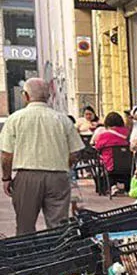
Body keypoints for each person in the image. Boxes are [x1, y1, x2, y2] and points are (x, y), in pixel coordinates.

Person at [0, 77, 86, 234]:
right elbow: (75, 152)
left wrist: (6, 178)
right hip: (58, 176)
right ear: (49, 96)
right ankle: (59, 256)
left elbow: (6, 155)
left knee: (25, 226)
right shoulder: (63, 119)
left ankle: (29, 256)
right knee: (59, 227)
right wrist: (63, 164)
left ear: (25, 96)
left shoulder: (15, 119)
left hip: (27, 176)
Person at [91, 112, 132, 193]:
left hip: (111, 164)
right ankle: (128, 187)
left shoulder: (104, 135)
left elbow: (98, 147)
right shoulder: (128, 132)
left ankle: (112, 186)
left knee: (105, 164)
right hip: (128, 165)